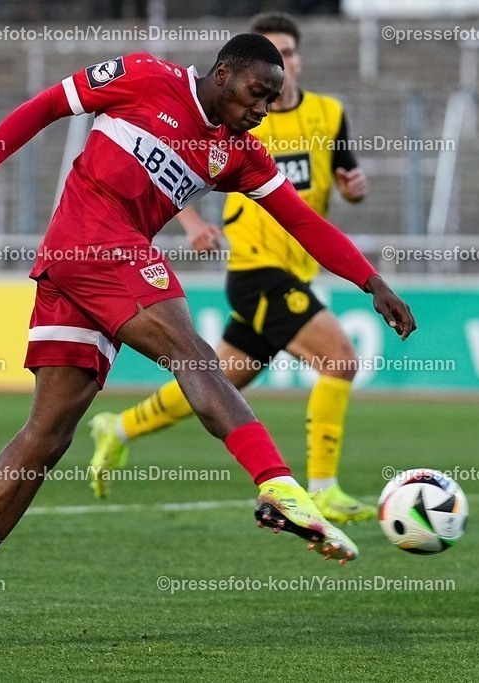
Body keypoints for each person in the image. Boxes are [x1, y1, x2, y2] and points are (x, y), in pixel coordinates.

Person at [0, 33, 416, 655]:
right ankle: (279, 486)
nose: (263, 110)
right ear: (223, 75)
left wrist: (372, 281)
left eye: (273, 101)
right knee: (192, 355)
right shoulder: (145, 77)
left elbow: (304, 222)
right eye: (257, 94)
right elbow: (45, 106)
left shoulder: (238, 154)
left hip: (84, 271)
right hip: (93, 245)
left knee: (47, 436)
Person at [89, 13, 377, 524]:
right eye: (271, 56)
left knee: (217, 384)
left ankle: (121, 427)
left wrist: (355, 190)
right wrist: (194, 223)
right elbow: (163, 164)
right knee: (340, 359)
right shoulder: (233, 118)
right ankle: (324, 488)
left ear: (297, 60)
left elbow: (340, 184)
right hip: (256, 271)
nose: (279, 66)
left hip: (298, 270)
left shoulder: (329, 114)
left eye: (287, 54)